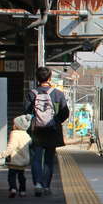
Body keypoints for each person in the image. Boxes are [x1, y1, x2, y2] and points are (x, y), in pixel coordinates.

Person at [25, 67, 69, 196]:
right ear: (49, 78)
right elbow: (65, 112)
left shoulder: (31, 93)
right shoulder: (58, 94)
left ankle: (37, 184)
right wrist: (55, 121)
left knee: (36, 159)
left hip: (36, 131)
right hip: (52, 131)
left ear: (37, 78)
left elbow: (26, 112)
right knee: (49, 160)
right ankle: (46, 186)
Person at [2, 114, 32, 198]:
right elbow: (30, 143)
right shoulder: (26, 135)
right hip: (23, 160)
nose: (13, 125)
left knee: (11, 175)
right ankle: (22, 191)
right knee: (21, 176)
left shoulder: (14, 134)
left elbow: (11, 147)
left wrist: (3, 154)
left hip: (14, 160)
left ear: (18, 126)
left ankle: (13, 188)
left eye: (14, 124)